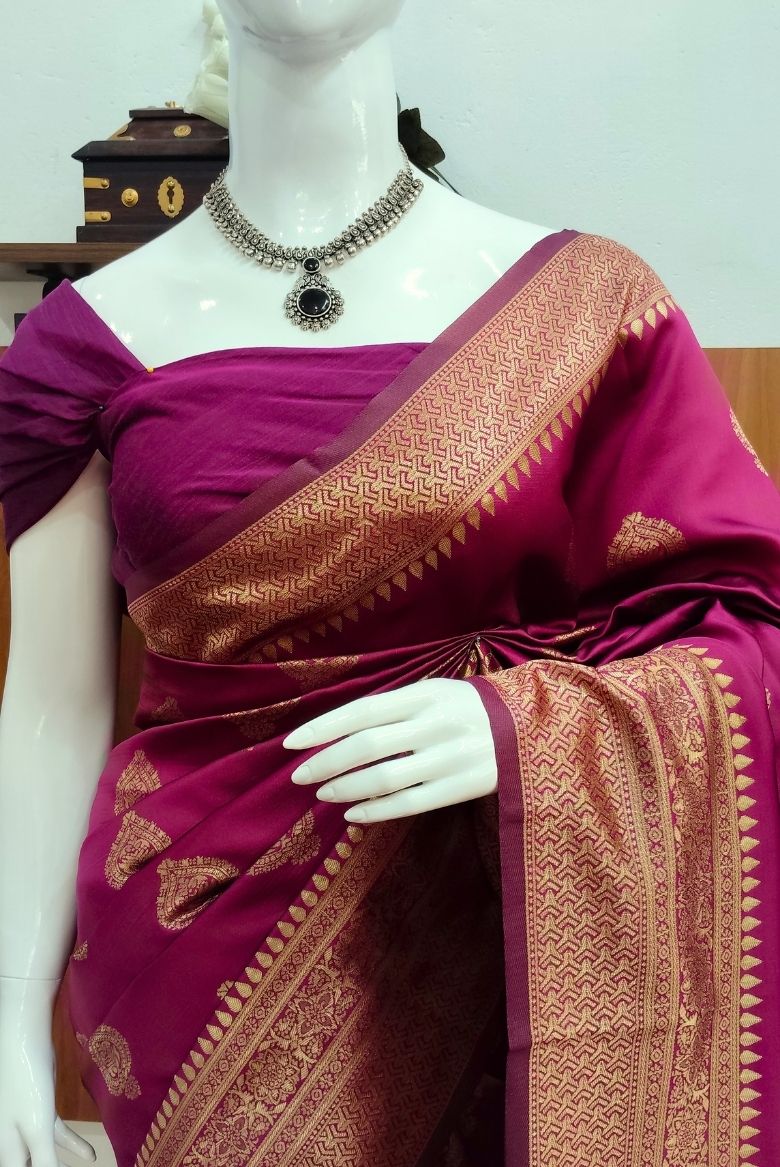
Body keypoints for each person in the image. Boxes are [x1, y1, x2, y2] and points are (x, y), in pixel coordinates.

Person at [1, 2, 779, 1166]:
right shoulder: (83, 344)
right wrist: (9, 1011)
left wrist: (522, 728)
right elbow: (52, 705)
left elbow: (745, 622)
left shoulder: (588, 311)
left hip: (502, 929)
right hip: (195, 950)